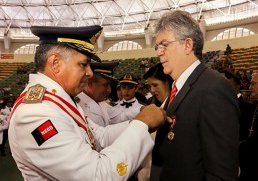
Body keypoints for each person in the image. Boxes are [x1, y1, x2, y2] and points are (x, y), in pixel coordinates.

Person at [8, 25, 167, 181]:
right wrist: (141, 124)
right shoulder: (36, 114)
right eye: (83, 64)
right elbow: (97, 175)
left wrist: (140, 122)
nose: (90, 73)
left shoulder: (58, 101)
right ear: (55, 63)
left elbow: (99, 136)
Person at [150, 10, 239, 181]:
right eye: (157, 47)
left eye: (164, 45)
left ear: (188, 45)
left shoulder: (214, 88)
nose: (158, 52)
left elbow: (221, 173)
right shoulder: (178, 88)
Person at [77, 61, 139, 126]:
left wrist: (142, 109)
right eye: (106, 85)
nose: (109, 90)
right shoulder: (78, 106)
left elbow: (120, 116)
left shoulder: (101, 103)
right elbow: (100, 134)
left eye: (110, 85)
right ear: (89, 83)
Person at [239, 69, 258, 181]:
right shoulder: (254, 105)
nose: (250, 87)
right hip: (248, 158)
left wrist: (241, 145)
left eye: (253, 83)